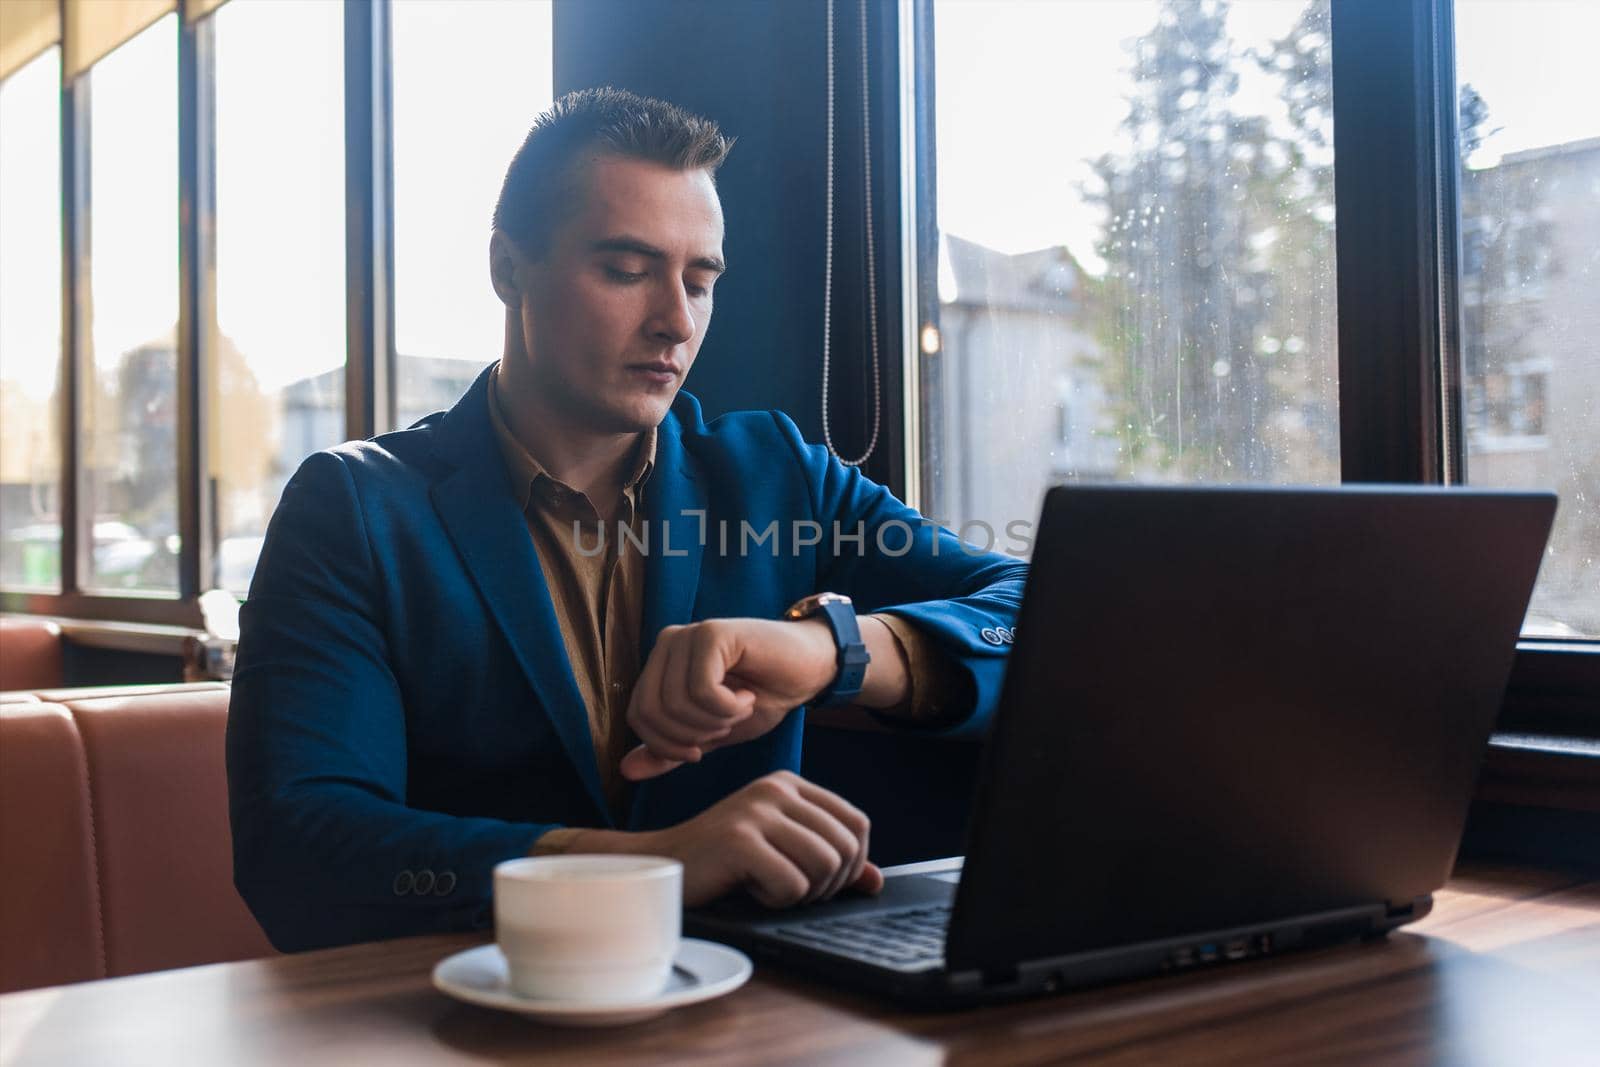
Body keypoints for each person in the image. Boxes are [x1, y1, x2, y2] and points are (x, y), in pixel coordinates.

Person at [227, 87, 1027, 953]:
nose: (676, 322)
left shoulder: (776, 477)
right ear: (508, 268)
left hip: (745, 1013)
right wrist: (645, 866)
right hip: (463, 1017)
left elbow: (1032, 607)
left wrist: (834, 648)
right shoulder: (354, 508)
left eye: (700, 279)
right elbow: (299, 849)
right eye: (626, 269)